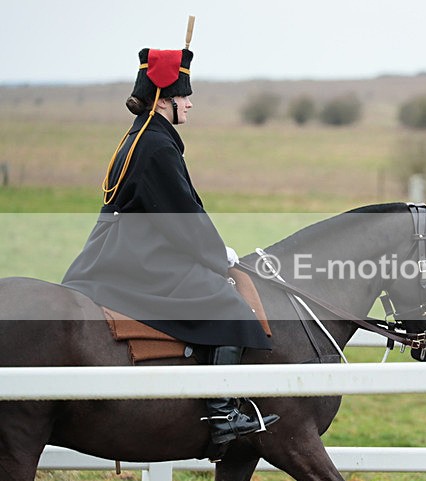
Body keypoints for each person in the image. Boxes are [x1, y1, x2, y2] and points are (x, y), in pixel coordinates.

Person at [62, 45, 278, 447]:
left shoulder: (142, 136)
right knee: (229, 306)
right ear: (164, 101)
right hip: (141, 259)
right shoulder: (156, 146)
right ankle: (222, 413)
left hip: (129, 248)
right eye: (184, 97)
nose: (191, 105)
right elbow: (182, 217)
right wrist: (218, 257)